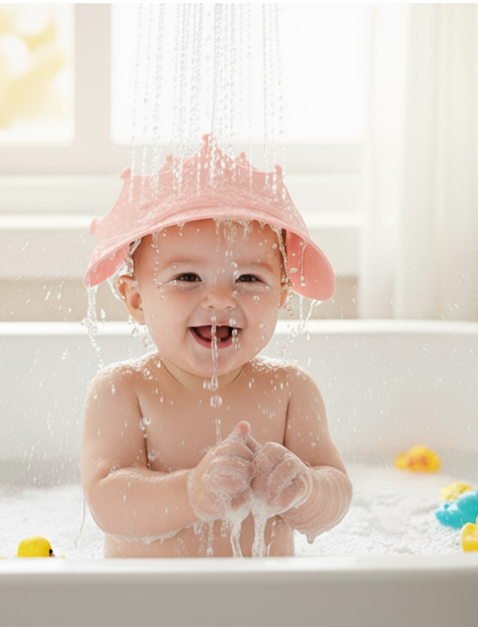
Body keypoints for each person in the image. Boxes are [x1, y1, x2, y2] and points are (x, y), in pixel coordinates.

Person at [81, 136, 352, 557]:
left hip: (261, 607)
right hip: (144, 607)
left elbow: (335, 496)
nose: (221, 299)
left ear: (282, 294)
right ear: (135, 299)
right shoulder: (125, 390)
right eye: (187, 278)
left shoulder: (290, 391)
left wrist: (304, 489)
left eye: (248, 279)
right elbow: (107, 502)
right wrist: (192, 492)